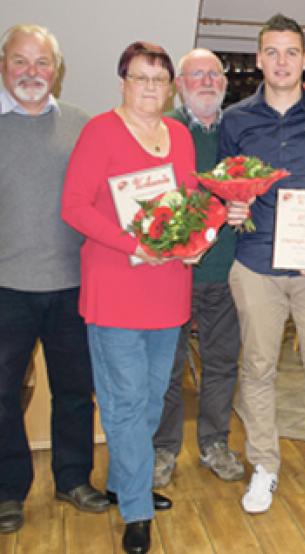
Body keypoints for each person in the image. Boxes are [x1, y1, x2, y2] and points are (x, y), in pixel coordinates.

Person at [60, 41, 212, 554]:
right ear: (122, 81)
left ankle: (127, 479)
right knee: (125, 403)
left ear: (170, 88)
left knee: (149, 401)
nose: (150, 87)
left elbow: (189, 203)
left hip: (168, 290)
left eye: (159, 79)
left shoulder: (178, 136)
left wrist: (197, 240)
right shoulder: (98, 131)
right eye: (140, 77)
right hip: (116, 289)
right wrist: (134, 245)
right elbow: (75, 207)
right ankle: (137, 510)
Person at [221, 13, 305, 514]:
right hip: (256, 266)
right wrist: (230, 209)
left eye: (291, 52)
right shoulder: (236, 120)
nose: (281, 61)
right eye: (272, 52)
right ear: (259, 59)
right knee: (257, 369)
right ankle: (265, 466)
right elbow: (225, 188)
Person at [0, 23, 109, 535]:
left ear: (57, 71)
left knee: (74, 391)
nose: (31, 73)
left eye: (42, 63)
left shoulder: (84, 128)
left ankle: (73, 478)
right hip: (5, 290)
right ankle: (7, 490)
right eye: (20, 61)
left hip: (71, 285)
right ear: (4, 64)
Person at [151, 48, 245, 488]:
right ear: (180, 85)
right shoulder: (163, 131)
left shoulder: (239, 131)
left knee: (223, 364)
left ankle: (214, 443)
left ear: (224, 82)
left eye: (214, 74)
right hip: (174, 273)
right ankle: (163, 449)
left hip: (227, 272)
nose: (206, 81)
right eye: (196, 75)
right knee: (167, 367)